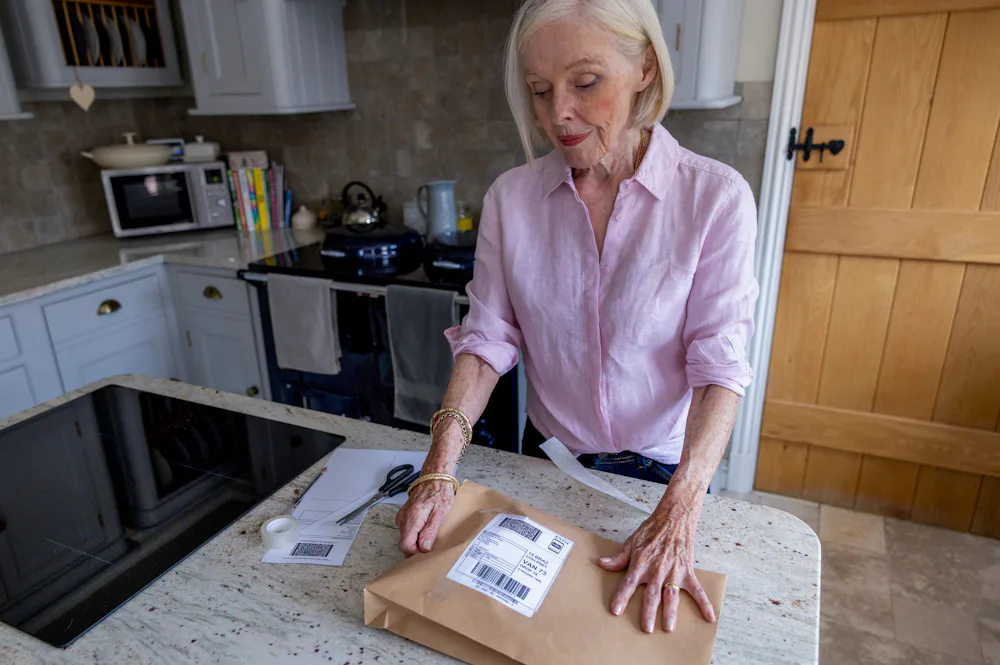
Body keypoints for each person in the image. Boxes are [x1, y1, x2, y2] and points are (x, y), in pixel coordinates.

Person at [395, 0, 758, 635]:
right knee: (522, 633)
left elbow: (718, 367)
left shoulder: (715, 198)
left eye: (585, 83)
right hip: (550, 465)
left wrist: (679, 512)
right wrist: (440, 465)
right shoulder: (512, 200)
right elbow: (487, 338)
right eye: (539, 90)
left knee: (634, 635)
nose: (555, 114)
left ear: (645, 66)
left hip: (666, 481)